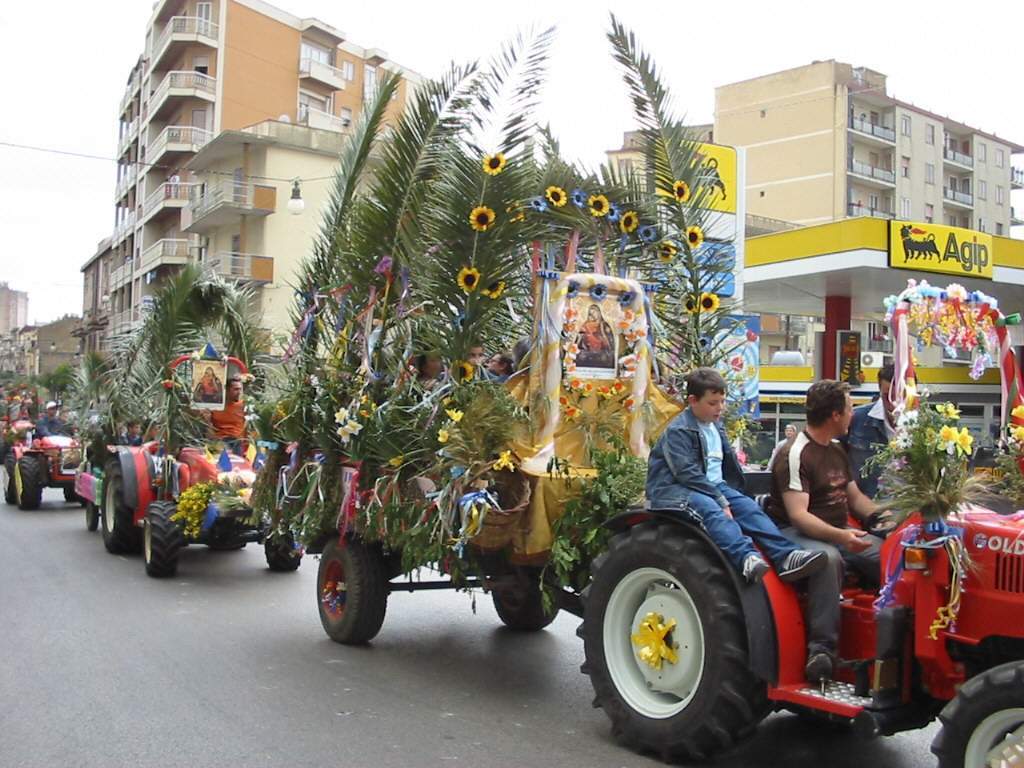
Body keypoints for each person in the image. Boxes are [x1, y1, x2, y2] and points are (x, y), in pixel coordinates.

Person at [646, 368, 827, 584]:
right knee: (711, 510)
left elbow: (725, 468)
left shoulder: (715, 426)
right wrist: (720, 499)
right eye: (713, 403)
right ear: (693, 400)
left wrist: (734, 494)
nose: (720, 408)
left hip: (712, 486)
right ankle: (745, 557)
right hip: (676, 489)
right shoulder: (679, 431)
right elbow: (686, 473)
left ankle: (785, 556)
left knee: (749, 508)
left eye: (722, 401)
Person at [767, 379, 895, 682]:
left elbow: (855, 499)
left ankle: (888, 645)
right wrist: (841, 537)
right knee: (827, 559)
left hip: (838, 531)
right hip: (793, 533)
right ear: (835, 415)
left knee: (892, 556)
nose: (854, 414)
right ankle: (821, 651)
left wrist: (886, 518)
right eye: (850, 409)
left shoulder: (836, 450)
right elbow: (798, 516)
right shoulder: (795, 453)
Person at [842, 364, 896, 498]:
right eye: (886, 395)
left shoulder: (925, 425)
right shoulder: (856, 418)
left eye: (899, 395)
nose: (893, 401)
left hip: (912, 509)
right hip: (866, 504)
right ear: (879, 390)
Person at [577, 303, 615, 368]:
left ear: (599, 312)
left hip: (601, 353)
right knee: (581, 357)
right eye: (590, 313)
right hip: (588, 353)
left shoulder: (604, 325)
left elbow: (610, 344)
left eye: (594, 312)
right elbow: (579, 342)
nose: (592, 315)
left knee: (604, 358)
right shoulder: (585, 325)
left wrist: (602, 335)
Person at [208, 376, 245, 441]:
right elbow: (209, 431)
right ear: (227, 390)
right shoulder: (215, 406)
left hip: (238, 441)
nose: (239, 392)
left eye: (240, 389)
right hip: (219, 441)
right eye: (236, 389)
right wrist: (207, 419)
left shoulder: (244, 405)